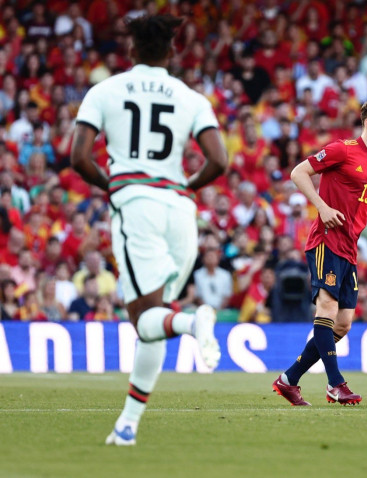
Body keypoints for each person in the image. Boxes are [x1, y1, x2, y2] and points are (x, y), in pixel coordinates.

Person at [71, 15, 227, 446]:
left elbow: (78, 156)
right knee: (155, 318)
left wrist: (114, 185)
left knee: (145, 319)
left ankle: (195, 323)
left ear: (131, 49)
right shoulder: (191, 97)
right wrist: (186, 186)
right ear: (172, 51)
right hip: (180, 210)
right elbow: (219, 160)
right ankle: (127, 425)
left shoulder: (105, 90)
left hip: (137, 205)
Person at [272, 97, 367, 406]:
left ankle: (288, 380)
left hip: (349, 249)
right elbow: (298, 173)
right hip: (325, 241)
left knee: (341, 325)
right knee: (326, 309)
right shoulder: (342, 150)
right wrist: (322, 207)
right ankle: (335, 384)